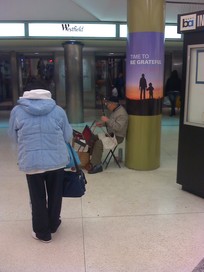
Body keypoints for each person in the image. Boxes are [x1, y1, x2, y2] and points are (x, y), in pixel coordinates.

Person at [8, 79, 73, 243]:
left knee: (37, 197)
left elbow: (12, 136)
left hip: (32, 161)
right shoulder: (58, 110)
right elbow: (67, 135)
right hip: (56, 160)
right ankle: (53, 224)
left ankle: (42, 233)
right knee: (55, 194)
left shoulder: (17, 111)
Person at [86, 96, 128, 174]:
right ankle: (92, 159)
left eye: (108, 104)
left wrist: (107, 120)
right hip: (111, 134)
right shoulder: (115, 110)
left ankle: (96, 165)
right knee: (93, 138)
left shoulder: (122, 114)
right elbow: (112, 122)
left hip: (117, 137)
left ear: (113, 104)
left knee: (99, 143)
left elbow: (118, 127)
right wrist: (102, 123)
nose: (107, 106)